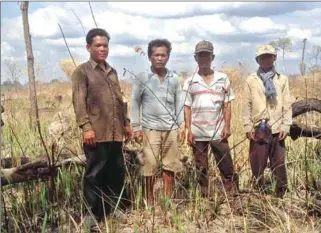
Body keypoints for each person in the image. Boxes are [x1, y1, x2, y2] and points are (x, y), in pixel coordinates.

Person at [71, 28, 132, 228]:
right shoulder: (82, 71)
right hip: (95, 133)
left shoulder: (112, 72)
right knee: (93, 174)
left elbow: (120, 101)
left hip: (115, 133)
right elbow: (79, 102)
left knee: (115, 172)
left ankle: (115, 209)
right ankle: (91, 214)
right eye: (98, 45)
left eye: (105, 45)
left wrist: (127, 123)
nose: (102, 49)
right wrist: (86, 127)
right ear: (88, 47)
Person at [131, 39, 184, 206]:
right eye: (156, 55)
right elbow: (134, 103)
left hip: (171, 129)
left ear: (168, 57)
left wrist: (181, 126)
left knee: (171, 165)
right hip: (150, 128)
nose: (160, 58)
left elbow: (179, 103)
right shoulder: (142, 78)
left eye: (163, 55)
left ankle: (168, 200)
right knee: (150, 166)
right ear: (149, 57)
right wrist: (136, 127)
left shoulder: (174, 79)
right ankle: (149, 201)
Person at [183, 40, 238, 198]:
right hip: (198, 131)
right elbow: (187, 107)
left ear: (212, 57)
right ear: (196, 58)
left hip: (217, 129)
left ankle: (232, 193)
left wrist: (227, 126)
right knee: (201, 167)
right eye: (201, 56)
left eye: (207, 55)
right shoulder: (190, 81)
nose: (204, 59)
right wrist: (188, 130)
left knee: (225, 163)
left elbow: (227, 104)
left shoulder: (222, 78)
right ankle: (204, 196)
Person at [242, 44, 292, 198]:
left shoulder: (282, 79)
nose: (266, 59)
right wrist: (247, 126)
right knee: (258, 163)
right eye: (262, 57)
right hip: (259, 127)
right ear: (258, 60)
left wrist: (286, 125)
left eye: (269, 56)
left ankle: (280, 194)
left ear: (274, 58)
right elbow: (246, 104)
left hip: (277, 127)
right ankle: (259, 193)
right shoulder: (251, 80)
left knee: (279, 162)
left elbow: (287, 103)